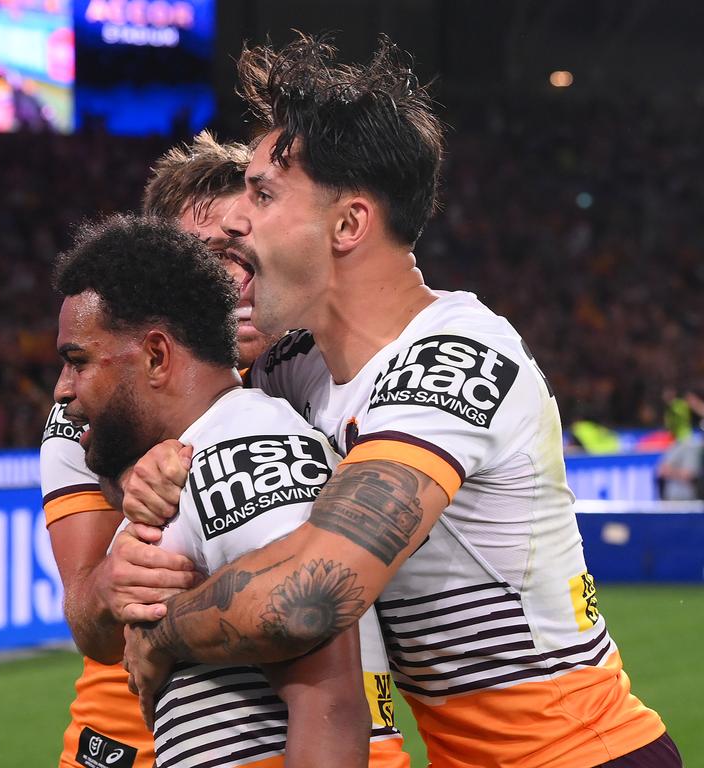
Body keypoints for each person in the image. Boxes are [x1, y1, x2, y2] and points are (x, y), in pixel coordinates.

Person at [120, 35, 681, 768]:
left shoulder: (453, 363)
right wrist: (158, 464)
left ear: (349, 225)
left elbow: (309, 598)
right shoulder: (299, 366)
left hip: (583, 754)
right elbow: (181, 401)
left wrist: (164, 632)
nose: (237, 223)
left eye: (263, 195)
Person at [40, 132, 409, 768]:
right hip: (127, 736)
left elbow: (324, 664)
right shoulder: (89, 414)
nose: (230, 282)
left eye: (244, 254)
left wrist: (166, 627)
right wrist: (110, 583)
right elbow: (89, 621)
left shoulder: (316, 378)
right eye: (203, 259)